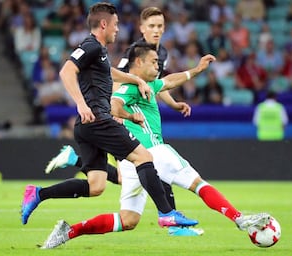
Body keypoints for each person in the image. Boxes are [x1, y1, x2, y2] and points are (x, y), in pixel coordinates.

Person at [40, 43, 270, 249]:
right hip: (153, 151)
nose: (158, 66)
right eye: (154, 62)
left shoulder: (145, 84)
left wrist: (196, 70)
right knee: (198, 184)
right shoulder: (132, 87)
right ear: (138, 63)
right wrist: (130, 116)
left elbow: (169, 82)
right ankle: (239, 218)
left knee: (128, 219)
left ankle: (70, 231)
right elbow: (113, 105)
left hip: (132, 161)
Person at [21, 2, 197, 228]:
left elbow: (110, 73)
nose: (118, 29)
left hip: (86, 126)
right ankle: (166, 213)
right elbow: (66, 71)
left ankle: (37, 194)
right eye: (115, 24)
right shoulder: (91, 45)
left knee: (96, 185)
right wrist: (81, 104)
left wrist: (137, 79)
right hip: (97, 118)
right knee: (144, 157)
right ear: (103, 24)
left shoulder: (99, 51)